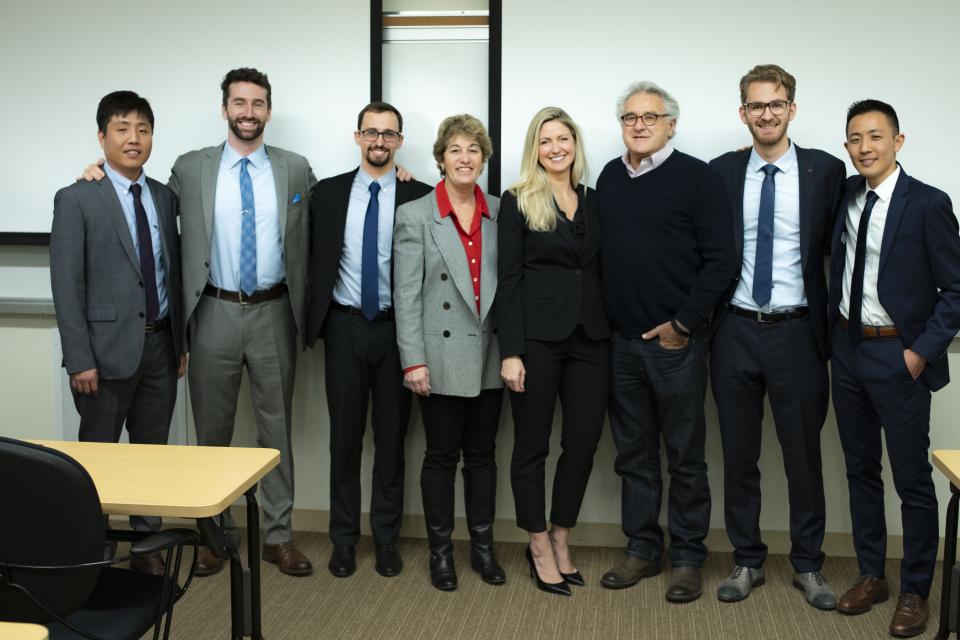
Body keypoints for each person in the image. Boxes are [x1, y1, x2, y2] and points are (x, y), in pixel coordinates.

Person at [85, 68, 317, 576]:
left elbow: (331, 217)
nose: (248, 112)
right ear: (225, 109)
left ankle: (278, 537)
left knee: (276, 432)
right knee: (212, 434)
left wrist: (400, 182)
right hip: (211, 312)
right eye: (239, 102)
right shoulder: (190, 169)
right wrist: (97, 175)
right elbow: (139, 200)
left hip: (276, 312)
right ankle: (217, 538)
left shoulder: (296, 169)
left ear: (268, 111)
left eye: (257, 103)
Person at [708, 64, 845, 608]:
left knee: (803, 455)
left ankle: (809, 564)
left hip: (798, 333)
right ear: (742, 112)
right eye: (756, 105)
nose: (766, 113)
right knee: (739, 454)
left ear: (792, 109)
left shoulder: (827, 172)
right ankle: (747, 559)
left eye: (776, 103)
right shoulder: (720, 173)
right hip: (735, 330)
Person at [597, 82, 738, 602]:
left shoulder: (697, 178)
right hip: (621, 346)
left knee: (685, 457)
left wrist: (682, 325)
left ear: (671, 124)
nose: (639, 125)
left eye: (650, 117)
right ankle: (641, 549)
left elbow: (722, 260)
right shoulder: (611, 177)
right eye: (630, 117)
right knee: (633, 457)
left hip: (676, 346)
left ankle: (687, 558)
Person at [830, 99, 960, 638]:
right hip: (847, 352)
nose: (865, 147)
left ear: (898, 142)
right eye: (856, 139)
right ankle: (870, 575)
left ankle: (914, 589)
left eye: (876, 137)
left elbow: (956, 289)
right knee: (860, 471)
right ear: (847, 147)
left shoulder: (928, 203)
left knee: (911, 481)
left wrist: (919, 352)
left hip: (897, 355)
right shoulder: (844, 195)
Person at [51, 90, 185, 576]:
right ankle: (97, 551)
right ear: (102, 136)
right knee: (99, 461)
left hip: (160, 347)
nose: (134, 139)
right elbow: (67, 285)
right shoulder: (76, 198)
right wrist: (79, 357)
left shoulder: (165, 196)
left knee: (151, 457)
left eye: (143, 129)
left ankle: (147, 551)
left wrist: (179, 345)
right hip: (102, 357)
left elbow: (175, 273)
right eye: (123, 129)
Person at [307, 102, 432, 578]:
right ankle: (343, 539)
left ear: (400, 141)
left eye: (389, 134)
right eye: (371, 133)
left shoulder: (418, 195)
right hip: (344, 327)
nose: (379, 141)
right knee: (344, 439)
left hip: (398, 330)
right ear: (357, 137)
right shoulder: (329, 193)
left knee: (392, 441)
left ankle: (385, 539)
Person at [497, 107, 610, 596]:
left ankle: (563, 535)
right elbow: (510, 280)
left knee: (583, 443)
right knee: (532, 446)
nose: (556, 148)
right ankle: (538, 542)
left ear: (575, 144)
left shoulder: (594, 199)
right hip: (537, 342)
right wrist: (512, 351)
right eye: (546, 141)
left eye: (564, 138)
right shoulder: (517, 200)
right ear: (534, 149)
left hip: (591, 339)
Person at [392, 114, 504, 591]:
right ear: (441, 158)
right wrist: (412, 360)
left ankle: (482, 548)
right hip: (436, 357)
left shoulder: (502, 211)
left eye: (473, 150)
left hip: (490, 353)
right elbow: (407, 295)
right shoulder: (416, 214)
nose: (465, 158)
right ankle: (441, 552)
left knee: (482, 457)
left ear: (483, 159)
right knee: (441, 456)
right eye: (455, 149)